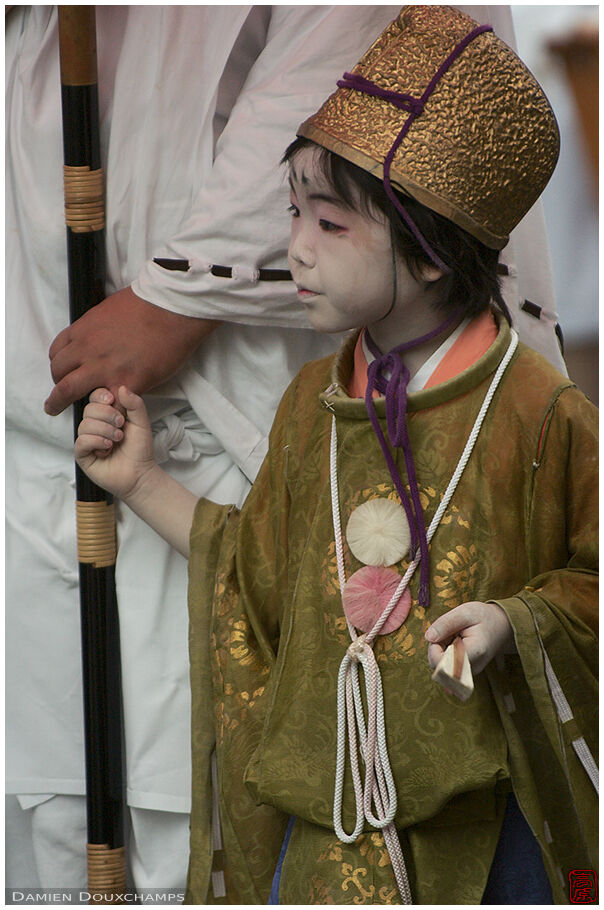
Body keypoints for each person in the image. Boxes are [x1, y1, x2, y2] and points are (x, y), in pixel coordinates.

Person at [5, 4, 569, 896]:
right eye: (290, 214)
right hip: (322, 829)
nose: (293, 251)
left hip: (471, 832)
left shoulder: (537, 409)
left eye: (329, 225)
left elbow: (587, 578)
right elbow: (256, 564)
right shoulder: (317, 401)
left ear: (427, 253)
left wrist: (513, 621)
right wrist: (143, 481)